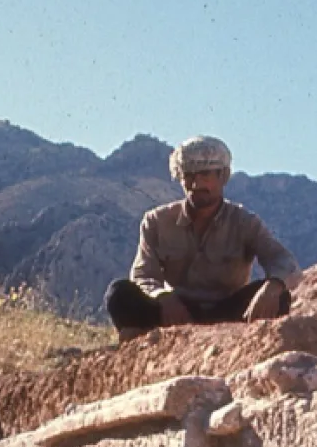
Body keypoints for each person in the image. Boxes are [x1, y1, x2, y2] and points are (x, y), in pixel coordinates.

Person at [104, 136, 302, 343]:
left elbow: (285, 262)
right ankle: (140, 350)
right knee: (119, 293)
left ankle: (247, 346)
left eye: (206, 174)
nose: (197, 184)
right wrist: (163, 297)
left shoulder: (245, 223)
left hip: (228, 312)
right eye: (189, 175)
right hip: (174, 314)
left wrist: (273, 286)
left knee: (279, 298)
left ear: (223, 176)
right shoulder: (156, 221)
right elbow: (143, 274)